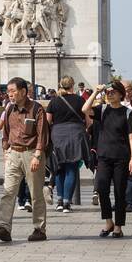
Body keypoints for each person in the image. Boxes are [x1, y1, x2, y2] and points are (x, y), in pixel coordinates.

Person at [0, 77, 49, 243]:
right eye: (8, 91)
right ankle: (3, 228)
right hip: (13, 153)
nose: (9, 94)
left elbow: (42, 134)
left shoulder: (36, 109)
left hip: (32, 154)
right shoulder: (9, 109)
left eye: (12, 91)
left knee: (36, 194)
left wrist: (38, 154)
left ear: (23, 92)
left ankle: (39, 229)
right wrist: (5, 151)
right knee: (8, 192)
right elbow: (6, 132)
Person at [85, 80, 132, 238]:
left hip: (121, 157)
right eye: (108, 92)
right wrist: (95, 92)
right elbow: (84, 109)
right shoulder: (102, 109)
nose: (109, 94)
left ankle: (119, 226)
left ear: (121, 94)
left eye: (113, 92)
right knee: (101, 189)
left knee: (120, 192)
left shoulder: (128, 113)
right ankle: (108, 221)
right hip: (104, 157)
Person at [46, 75, 89, 213]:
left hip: (58, 135)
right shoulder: (80, 100)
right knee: (72, 168)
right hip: (76, 134)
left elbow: (48, 122)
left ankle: (59, 201)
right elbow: (89, 122)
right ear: (72, 85)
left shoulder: (54, 101)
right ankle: (66, 203)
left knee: (59, 169)